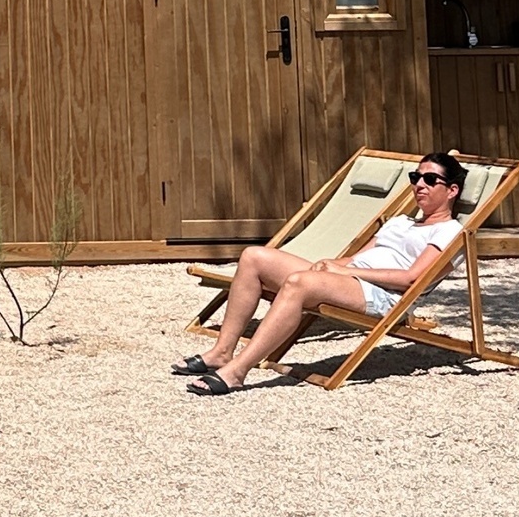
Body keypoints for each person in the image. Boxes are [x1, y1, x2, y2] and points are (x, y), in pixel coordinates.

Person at [176, 150, 471, 397]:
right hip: (352, 279)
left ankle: (237, 371)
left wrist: (345, 272)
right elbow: (357, 258)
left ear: (452, 191)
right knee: (254, 257)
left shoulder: (450, 232)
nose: (419, 185)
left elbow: (412, 278)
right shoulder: (400, 222)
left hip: (383, 295)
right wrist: (331, 265)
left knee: (299, 283)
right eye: (415, 177)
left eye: (430, 180)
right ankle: (222, 352)